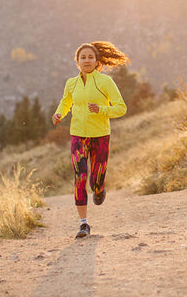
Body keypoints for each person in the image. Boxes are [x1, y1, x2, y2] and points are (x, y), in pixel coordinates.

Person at [52, 41, 129, 238]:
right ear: (77, 62)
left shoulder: (105, 82)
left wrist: (102, 109)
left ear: (96, 61)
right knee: (80, 177)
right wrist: (59, 114)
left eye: (90, 57)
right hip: (78, 135)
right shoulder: (72, 83)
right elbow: (66, 102)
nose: (87, 60)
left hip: (100, 136)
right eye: (83, 57)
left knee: (96, 179)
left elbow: (121, 108)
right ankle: (83, 223)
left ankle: (99, 188)